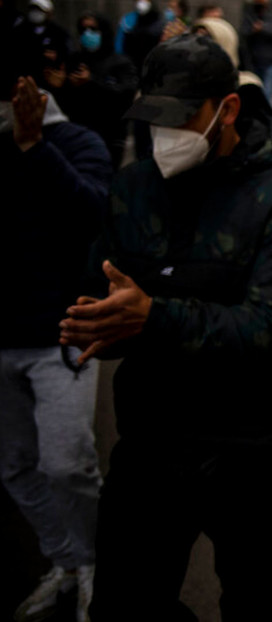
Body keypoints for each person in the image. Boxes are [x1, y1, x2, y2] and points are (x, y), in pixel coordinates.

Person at [59, 35, 272, 619]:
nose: (165, 136)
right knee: (124, 601)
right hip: (151, 440)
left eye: (181, 118)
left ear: (227, 110)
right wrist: (93, 326)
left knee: (256, 601)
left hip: (252, 448)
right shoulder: (134, 188)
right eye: (152, 118)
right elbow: (101, 292)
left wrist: (153, 315)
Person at [2, 62, 111, 622]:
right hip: (5, 339)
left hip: (60, 333)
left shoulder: (77, 142)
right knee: (16, 465)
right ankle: (64, 560)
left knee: (68, 461)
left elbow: (92, 212)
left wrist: (34, 147)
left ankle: (94, 568)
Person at [56, 12, 139, 169]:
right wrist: (59, 86)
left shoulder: (120, 63)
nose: (88, 34)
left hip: (110, 137)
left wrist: (91, 82)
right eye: (84, 29)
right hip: (78, 134)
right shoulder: (74, 61)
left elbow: (125, 97)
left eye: (93, 29)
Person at [241, 0, 272, 100]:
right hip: (253, 58)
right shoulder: (250, 11)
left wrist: (262, 28)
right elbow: (244, 30)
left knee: (267, 90)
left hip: (270, 59)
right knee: (254, 89)